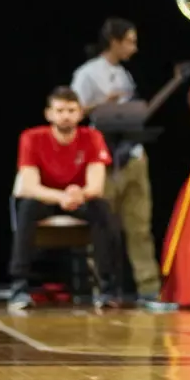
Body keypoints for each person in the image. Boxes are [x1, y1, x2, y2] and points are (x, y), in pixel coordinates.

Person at [72, 17, 164, 307]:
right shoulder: (87, 73)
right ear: (115, 41)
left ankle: (149, 290)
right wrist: (103, 104)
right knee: (104, 228)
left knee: (140, 227)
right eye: (130, 41)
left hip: (133, 154)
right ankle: (104, 289)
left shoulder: (124, 74)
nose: (134, 48)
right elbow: (73, 109)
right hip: (104, 158)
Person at [9, 87, 123, 310]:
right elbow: (30, 186)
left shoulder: (92, 137)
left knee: (102, 209)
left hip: (78, 198)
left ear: (80, 113)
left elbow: (96, 186)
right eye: (60, 110)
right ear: (49, 114)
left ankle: (108, 288)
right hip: (47, 198)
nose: (66, 115)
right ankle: (19, 287)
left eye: (71, 110)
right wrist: (61, 196)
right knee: (26, 208)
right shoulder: (32, 138)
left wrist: (78, 194)